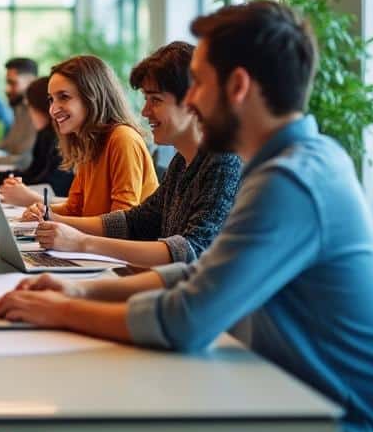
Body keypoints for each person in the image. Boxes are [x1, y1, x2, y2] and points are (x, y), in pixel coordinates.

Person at [0, 2, 373, 432]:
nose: (191, 99)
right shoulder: (279, 165)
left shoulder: (292, 180)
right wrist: (79, 292)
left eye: (198, 83)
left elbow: (185, 322)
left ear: (237, 86)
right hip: (283, 412)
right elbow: (197, 274)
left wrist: (60, 311)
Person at [33, 41, 242, 266]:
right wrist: (57, 221)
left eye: (156, 100)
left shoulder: (224, 161)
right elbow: (135, 221)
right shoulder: (182, 162)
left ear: (194, 99)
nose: (144, 111)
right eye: (146, 99)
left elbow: (190, 250)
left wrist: (82, 243)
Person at [3, 55, 158, 222]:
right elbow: (75, 209)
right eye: (51, 100)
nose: (53, 110)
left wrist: (52, 217)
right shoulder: (89, 144)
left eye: (64, 97)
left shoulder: (123, 139)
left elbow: (119, 224)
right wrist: (42, 210)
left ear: (92, 96)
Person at [0, 76, 74, 198]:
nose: (29, 112)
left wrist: (22, 191)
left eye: (30, 106)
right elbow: (34, 171)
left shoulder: (61, 138)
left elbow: (52, 184)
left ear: (41, 106)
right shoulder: (44, 135)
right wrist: (4, 178)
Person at [0, 57, 39, 167]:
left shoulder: (39, 113)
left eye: (12, 83)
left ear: (31, 81)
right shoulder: (19, 108)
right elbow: (11, 142)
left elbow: (26, 159)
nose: (7, 89)